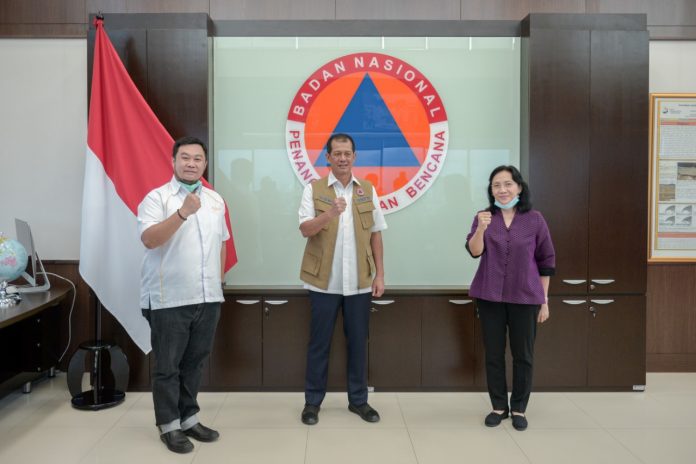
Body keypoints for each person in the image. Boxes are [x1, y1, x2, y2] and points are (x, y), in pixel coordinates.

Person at [138, 136, 229, 453]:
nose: (191, 163)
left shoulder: (215, 200)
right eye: (185, 158)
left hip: (208, 297)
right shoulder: (157, 198)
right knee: (168, 366)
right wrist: (182, 213)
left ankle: (189, 418)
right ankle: (169, 426)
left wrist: (219, 283)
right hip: (169, 299)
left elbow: (222, 243)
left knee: (195, 363)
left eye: (197, 158)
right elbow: (150, 240)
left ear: (205, 163)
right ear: (173, 161)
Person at [298, 133, 387, 425]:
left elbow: (376, 235)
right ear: (328, 157)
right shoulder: (313, 189)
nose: (342, 158)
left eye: (347, 153)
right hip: (322, 282)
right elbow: (305, 230)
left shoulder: (367, 190)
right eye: (337, 153)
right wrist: (330, 214)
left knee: (359, 343)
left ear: (354, 157)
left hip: (360, 282)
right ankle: (312, 403)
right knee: (319, 344)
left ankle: (359, 401)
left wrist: (380, 275)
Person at [466, 165, 555, 431]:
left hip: (526, 298)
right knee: (494, 354)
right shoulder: (483, 217)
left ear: (519, 187)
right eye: (496, 185)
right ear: (491, 190)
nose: (502, 190)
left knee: (523, 355)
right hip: (489, 297)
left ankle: (518, 408)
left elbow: (546, 262)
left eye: (507, 184)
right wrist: (481, 229)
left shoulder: (535, 219)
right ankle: (498, 407)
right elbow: (474, 251)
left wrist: (544, 301)